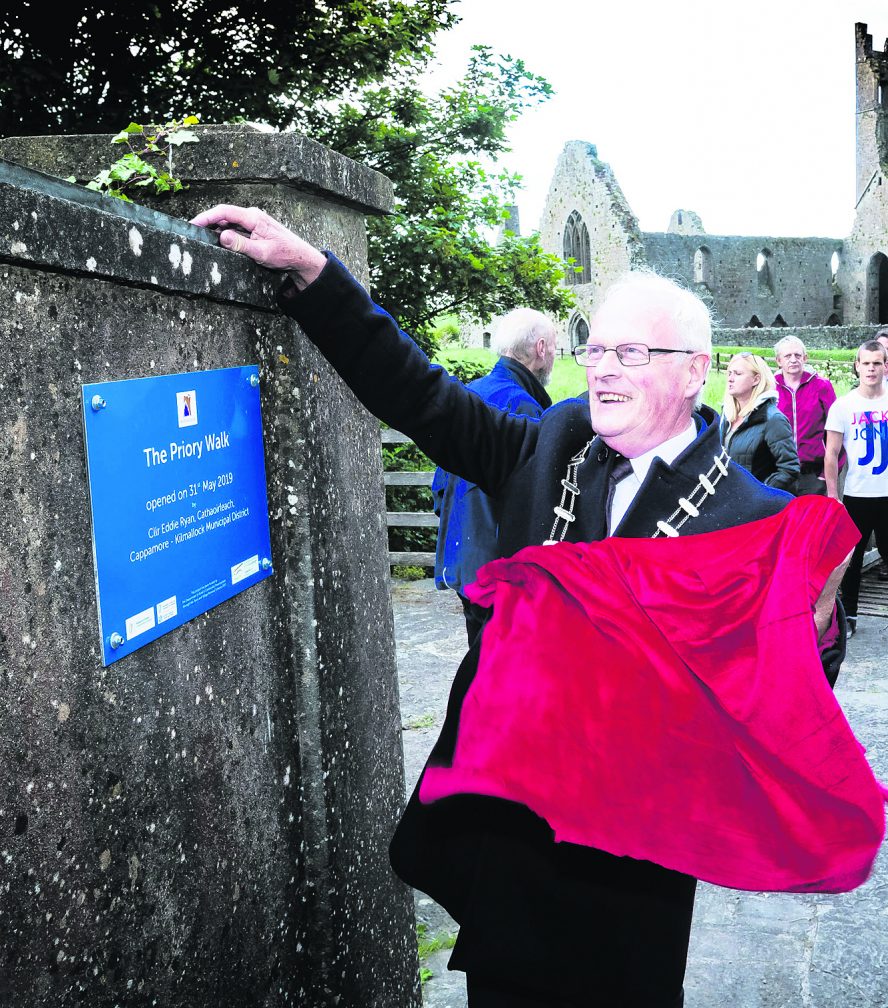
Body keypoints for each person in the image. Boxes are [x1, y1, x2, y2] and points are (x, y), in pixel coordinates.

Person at [190, 205, 850, 1008]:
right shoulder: (554, 444)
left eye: (631, 352)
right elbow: (424, 399)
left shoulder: (750, 517)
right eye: (595, 348)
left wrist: (811, 632)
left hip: (629, 866)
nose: (602, 368)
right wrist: (318, 278)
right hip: (511, 839)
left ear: (693, 370)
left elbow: (790, 693)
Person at [432, 309, 556, 646]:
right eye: (555, 349)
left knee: (479, 660)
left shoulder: (470, 392)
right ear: (541, 348)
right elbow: (534, 506)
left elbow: (440, 485)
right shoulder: (523, 406)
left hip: (464, 563)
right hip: (500, 572)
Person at [825, 340, 888, 632]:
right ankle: (849, 616)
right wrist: (832, 496)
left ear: (885, 366)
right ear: (857, 366)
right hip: (857, 494)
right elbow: (832, 453)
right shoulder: (844, 406)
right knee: (851, 559)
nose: (872, 369)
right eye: (866, 363)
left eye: (877, 363)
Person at [719, 352, 799, 491]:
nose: (730, 379)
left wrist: (759, 493)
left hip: (759, 508)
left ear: (756, 379)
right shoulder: (725, 416)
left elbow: (789, 469)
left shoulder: (773, 419)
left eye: (738, 374)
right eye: (729, 373)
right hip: (727, 502)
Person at [774, 335, 839, 495]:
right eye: (787, 356)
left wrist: (826, 474)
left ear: (805, 357)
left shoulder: (822, 386)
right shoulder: (769, 388)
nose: (793, 360)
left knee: (814, 520)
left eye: (797, 355)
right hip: (779, 472)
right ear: (778, 361)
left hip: (813, 474)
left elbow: (836, 431)